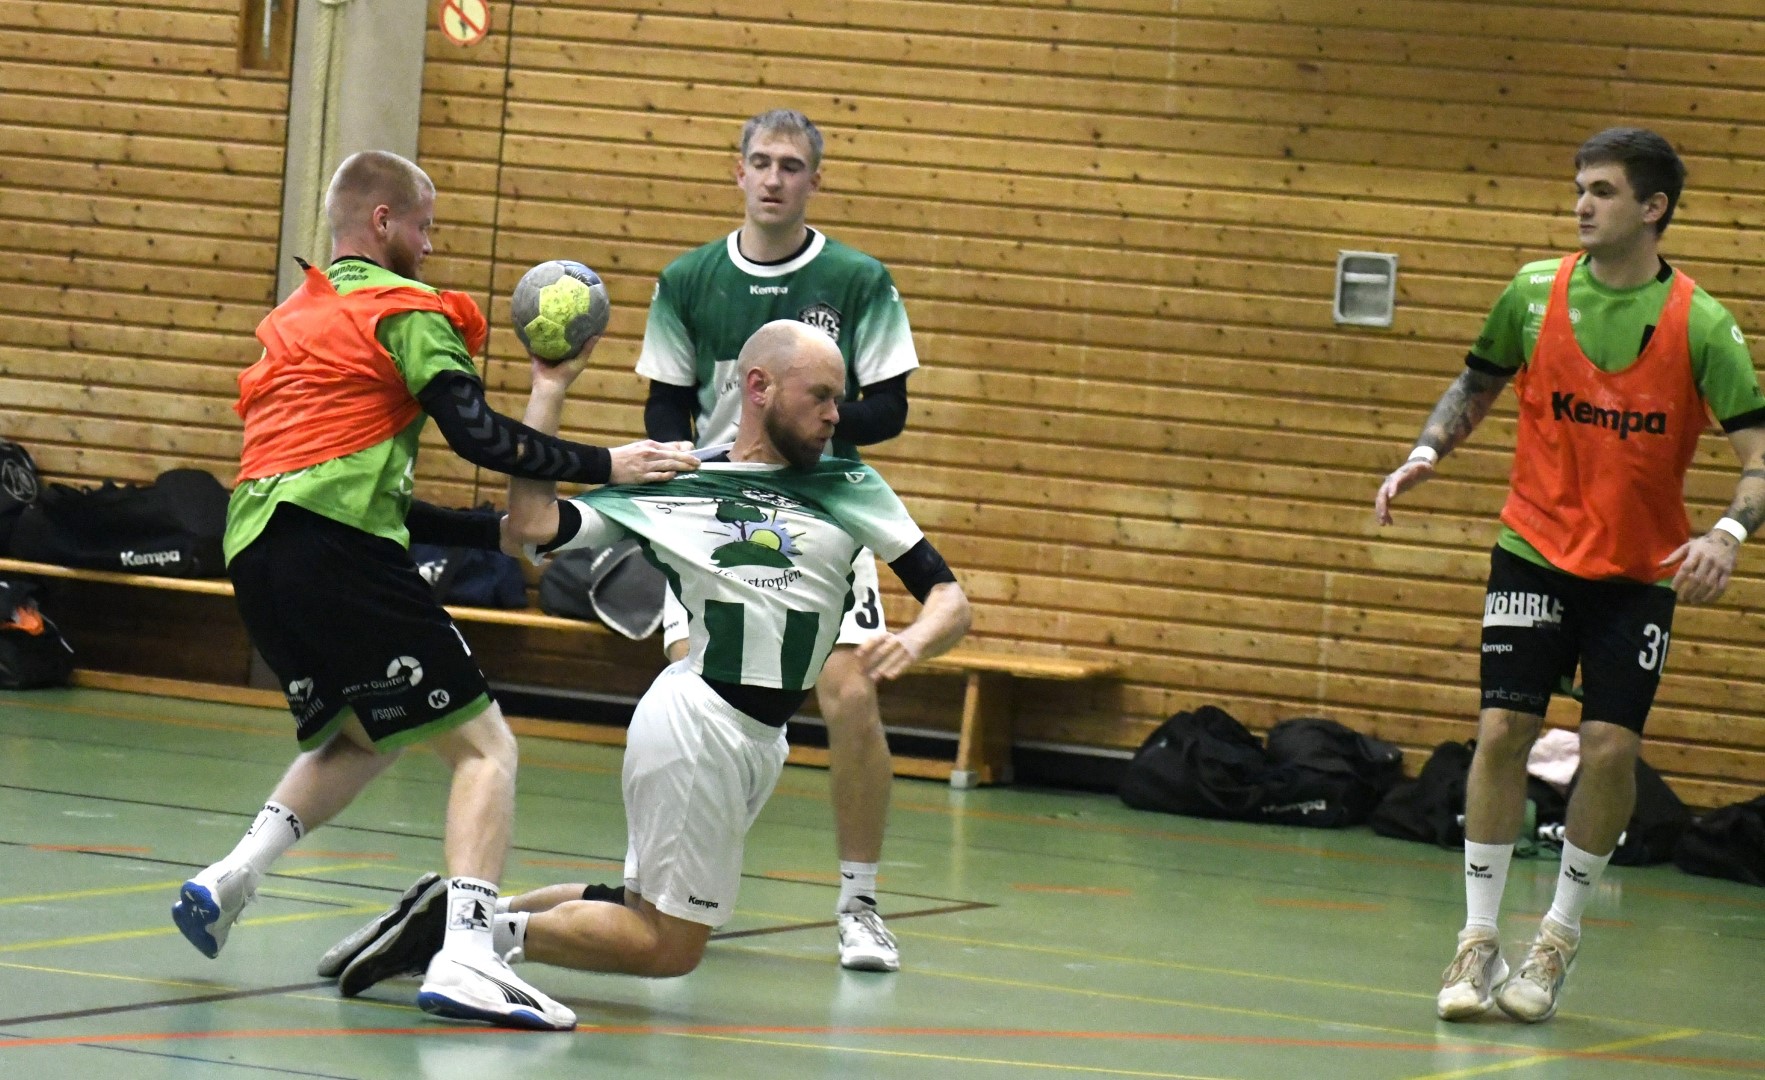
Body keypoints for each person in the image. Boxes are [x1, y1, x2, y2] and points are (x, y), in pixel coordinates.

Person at [170, 149, 699, 1032]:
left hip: (257, 554)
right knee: (487, 751)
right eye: (423, 225)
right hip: (339, 555)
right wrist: (611, 463)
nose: (431, 243)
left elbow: (360, 490)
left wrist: (490, 533)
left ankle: (230, 878)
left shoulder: (298, 319)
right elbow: (482, 437)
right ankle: (467, 956)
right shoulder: (406, 313)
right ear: (383, 221)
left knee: (366, 733)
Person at [329, 319, 969, 996]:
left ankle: (460, 915)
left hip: (760, 738)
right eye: (821, 396)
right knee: (667, 948)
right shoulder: (678, 482)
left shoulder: (850, 483)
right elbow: (533, 526)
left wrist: (916, 639)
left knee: (637, 905)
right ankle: (461, 938)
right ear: (758, 387)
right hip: (701, 724)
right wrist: (548, 391)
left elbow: (949, 598)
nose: (836, 414)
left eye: (839, 398)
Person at [1375, 128, 1765, 1024]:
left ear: (1653, 208)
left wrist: (1727, 532)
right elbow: (1474, 386)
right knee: (1502, 727)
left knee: (1609, 749)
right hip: (1532, 548)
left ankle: (1556, 936)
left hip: (1638, 570)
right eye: (1578, 189)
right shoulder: (1531, 293)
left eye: (1602, 190)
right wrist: (1426, 451)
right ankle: (1477, 939)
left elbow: (1758, 454)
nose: (1581, 205)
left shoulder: (1701, 325)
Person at [631, 108, 924, 971]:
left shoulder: (856, 278)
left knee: (851, 694)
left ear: (813, 182)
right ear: (738, 171)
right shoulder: (687, 279)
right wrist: (698, 469)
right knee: (697, 686)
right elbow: (664, 402)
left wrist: (804, 430)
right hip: (716, 516)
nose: (772, 178)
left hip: (820, 515)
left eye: (790, 166)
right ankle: (656, 891)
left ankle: (859, 903)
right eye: (760, 162)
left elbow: (890, 408)